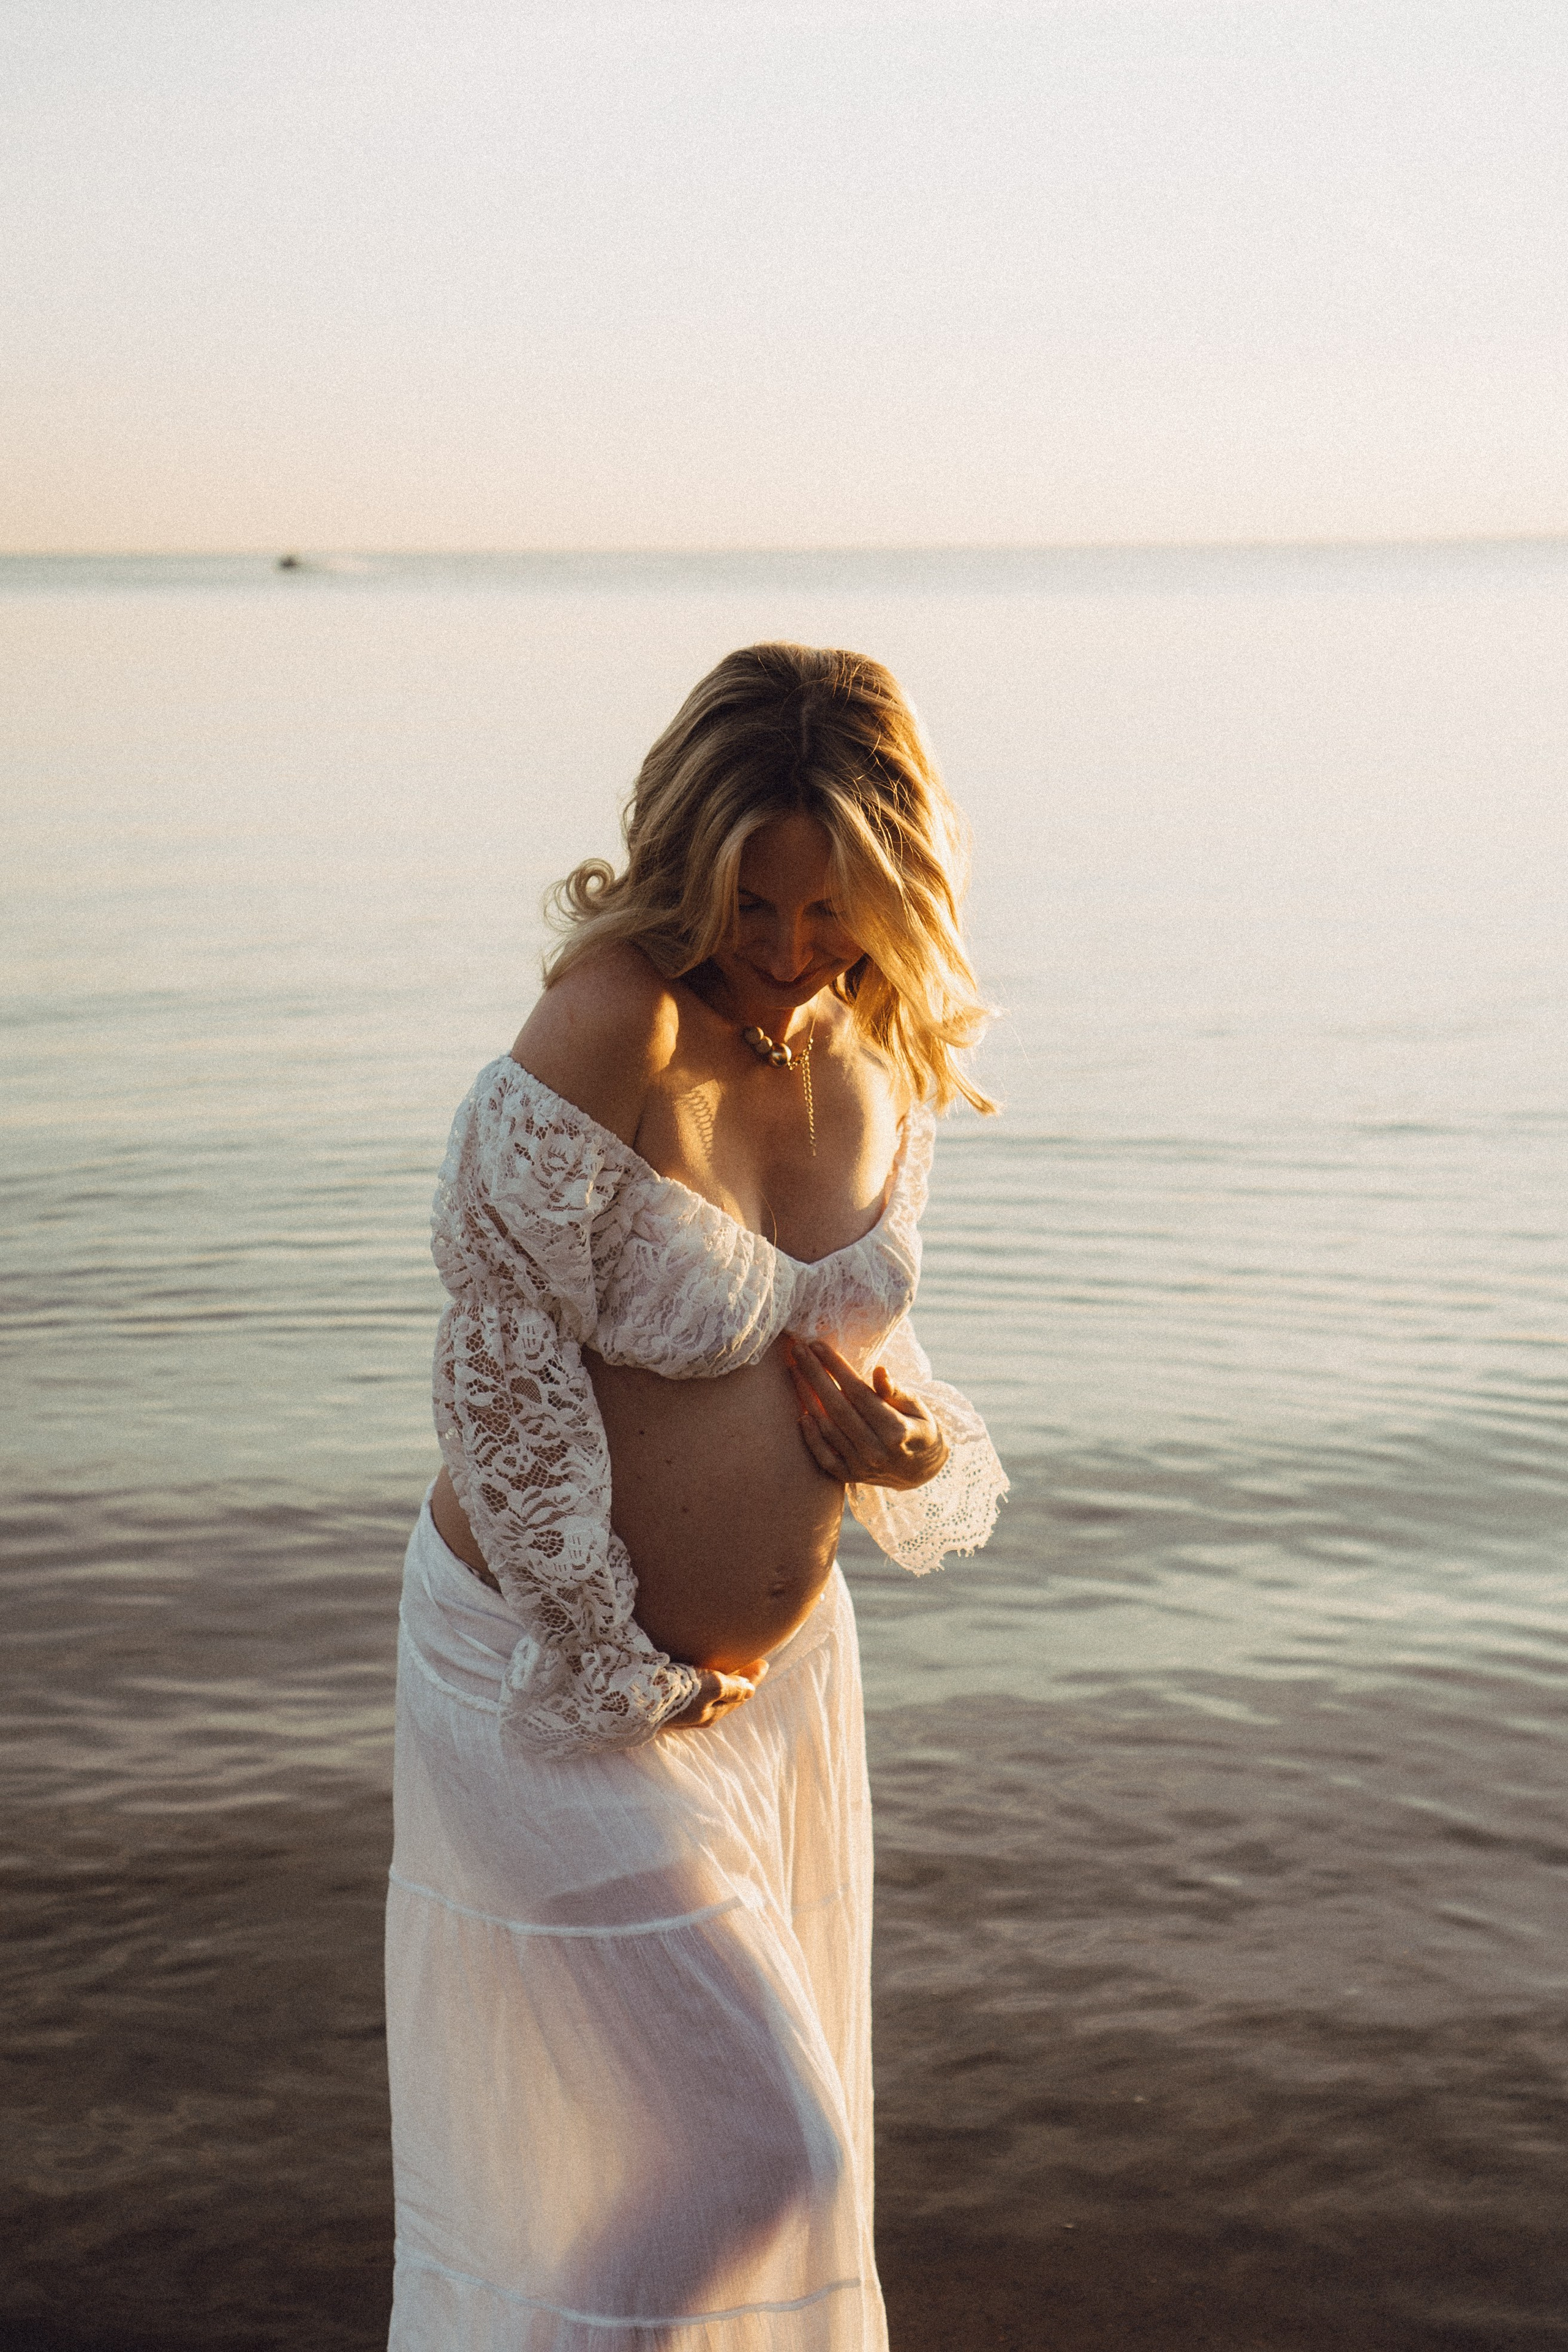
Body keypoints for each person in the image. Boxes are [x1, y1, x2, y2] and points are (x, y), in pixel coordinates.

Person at [385, 643, 1007, 2350]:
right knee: (765, 2154)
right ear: (686, 857)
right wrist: (613, 1658)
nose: (794, 952)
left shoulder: (876, 1050)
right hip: (554, 1678)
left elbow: (855, 1350)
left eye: (834, 910)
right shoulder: (614, 1022)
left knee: (727, 2150)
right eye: (756, 904)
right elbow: (497, 1358)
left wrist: (910, 1447)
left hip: (778, 1697)